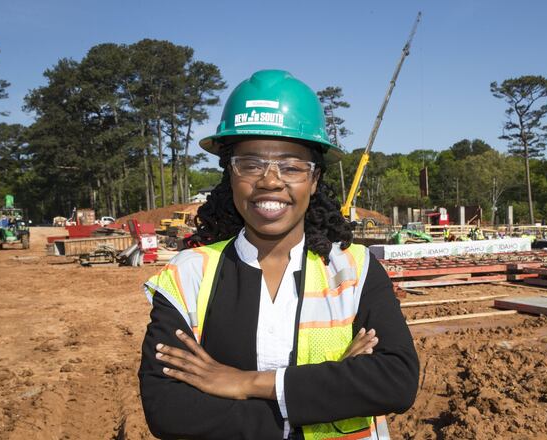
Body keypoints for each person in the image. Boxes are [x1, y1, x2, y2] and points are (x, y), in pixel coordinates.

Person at [137, 70, 419, 440]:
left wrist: (248, 384)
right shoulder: (188, 276)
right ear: (230, 174)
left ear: (315, 179)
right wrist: (329, 392)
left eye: (291, 166)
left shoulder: (355, 270)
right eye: (251, 164)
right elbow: (168, 410)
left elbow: (395, 381)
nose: (270, 181)